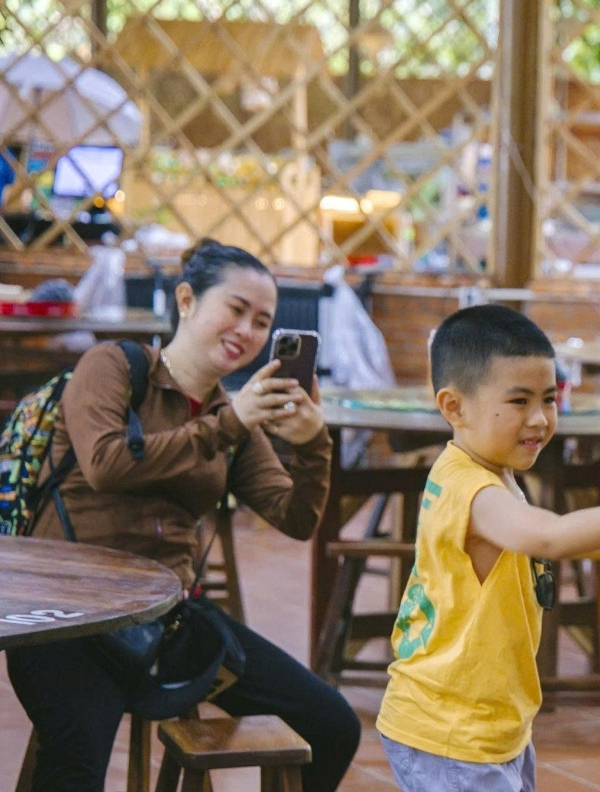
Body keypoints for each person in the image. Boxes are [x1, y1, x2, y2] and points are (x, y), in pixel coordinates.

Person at [6, 239, 360, 792]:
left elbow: (295, 519)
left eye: (262, 322)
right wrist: (230, 425)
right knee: (75, 766)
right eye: (236, 309)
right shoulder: (114, 366)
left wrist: (314, 443)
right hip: (68, 620)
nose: (247, 331)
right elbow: (106, 464)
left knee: (331, 725)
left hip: (167, 621)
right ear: (188, 300)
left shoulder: (231, 417)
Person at [377, 303, 600, 792]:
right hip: (452, 732)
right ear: (454, 407)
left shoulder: (487, 470)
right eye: (519, 401)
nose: (540, 419)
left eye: (549, 399)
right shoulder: (473, 490)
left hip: (487, 723)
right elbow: (549, 535)